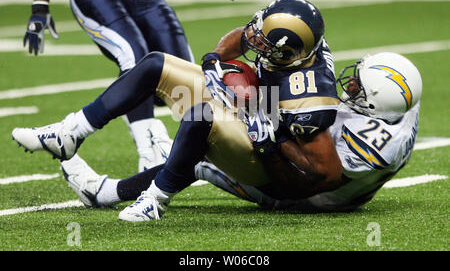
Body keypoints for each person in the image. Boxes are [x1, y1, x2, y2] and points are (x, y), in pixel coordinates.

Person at [13, 0, 344, 220]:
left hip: (269, 165)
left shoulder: (309, 94)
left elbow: (326, 176)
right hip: (259, 111)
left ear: (289, 55)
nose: (254, 41)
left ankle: (154, 201)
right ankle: (72, 133)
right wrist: (215, 59)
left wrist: (272, 142)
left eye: (263, 43)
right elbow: (243, 38)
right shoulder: (291, 39)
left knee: (202, 116)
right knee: (155, 64)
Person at [57, 52, 422, 216]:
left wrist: (271, 136)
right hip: (332, 178)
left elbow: (312, 180)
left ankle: (109, 194)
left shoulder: (372, 146)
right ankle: (111, 187)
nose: (350, 81)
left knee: (202, 154)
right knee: (203, 140)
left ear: (374, 105)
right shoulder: (401, 103)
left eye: (359, 85)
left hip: (312, 195)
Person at [22, 0, 233, 172]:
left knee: (183, 75)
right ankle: (148, 154)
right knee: (133, 59)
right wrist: (40, 4)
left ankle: (218, 154)